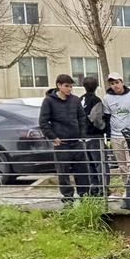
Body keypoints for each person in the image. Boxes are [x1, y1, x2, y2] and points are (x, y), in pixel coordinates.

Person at [38, 73, 86, 204]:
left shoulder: (75, 100)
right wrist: (53, 137)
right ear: (58, 86)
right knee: (63, 172)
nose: (69, 89)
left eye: (71, 86)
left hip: (76, 142)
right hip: (61, 143)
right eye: (66, 86)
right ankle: (68, 198)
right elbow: (43, 122)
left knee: (82, 171)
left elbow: (82, 118)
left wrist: (82, 135)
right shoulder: (49, 101)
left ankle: (84, 197)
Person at [103, 72, 130, 197]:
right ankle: (126, 187)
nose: (115, 85)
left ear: (122, 82)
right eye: (112, 83)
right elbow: (107, 118)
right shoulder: (107, 98)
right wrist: (108, 136)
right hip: (115, 135)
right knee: (122, 165)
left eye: (117, 82)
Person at [79, 76, 108, 197]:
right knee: (101, 163)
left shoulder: (80, 99)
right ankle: (104, 189)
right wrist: (103, 127)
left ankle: (93, 188)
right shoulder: (95, 100)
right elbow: (96, 118)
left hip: (84, 136)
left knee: (90, 164)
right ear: (96, 86)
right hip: (95, 135)